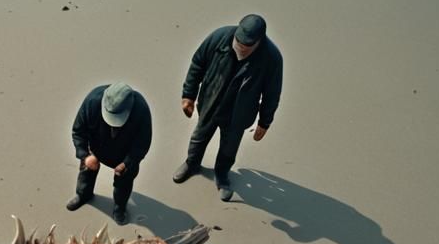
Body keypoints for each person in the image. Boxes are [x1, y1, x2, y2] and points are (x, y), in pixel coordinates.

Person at [173, 14, 282, 201]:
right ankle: (192, 164)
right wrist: (188, 95)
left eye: (247, 46)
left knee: (229, 148)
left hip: (238, 114)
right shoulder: (219, 37)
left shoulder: (272, 59)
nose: (240, 47)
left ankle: (222, 175)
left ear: (259, 41)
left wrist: (264, 122)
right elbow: (197, 63)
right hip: (211, 102)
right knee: (199, 137)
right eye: (238, 42)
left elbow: (272, 95)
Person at [66, 82, 152, 225]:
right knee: (86, 171)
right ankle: (83, 195)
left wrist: (127, 163)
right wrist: (85, 155)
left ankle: (120, 207)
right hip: (96, 148)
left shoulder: (141, 110)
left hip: (124, 155)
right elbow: (78, 131)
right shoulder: (92, 101)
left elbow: (142, 144)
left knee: (124, 182)